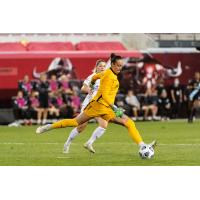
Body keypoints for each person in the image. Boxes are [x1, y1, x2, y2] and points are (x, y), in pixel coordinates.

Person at [36, 53, 156, 157]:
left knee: (128, 123)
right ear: (113, 65)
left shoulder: (106, 73)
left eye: (121, 65)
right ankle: (50, 127)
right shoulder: (109, 76)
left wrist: (93, 84)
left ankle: (142, 145)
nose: (120, 67)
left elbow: (96, 77)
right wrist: (115, 107)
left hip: (103, 107)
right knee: (77, 123)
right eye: (118, 65)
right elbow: (104, 94)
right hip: (99, 106)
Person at [63, 60, 107, 153]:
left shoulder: (107, 79)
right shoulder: (92, 77)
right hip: (89, 104)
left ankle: (89, 143)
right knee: (81, 127)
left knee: (103, 124)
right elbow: (83, 88)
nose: (102, 67)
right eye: (100, 66)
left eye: (104, 66)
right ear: (96, 67)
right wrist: (89, 90)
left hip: (99, 105)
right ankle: (67, 142)